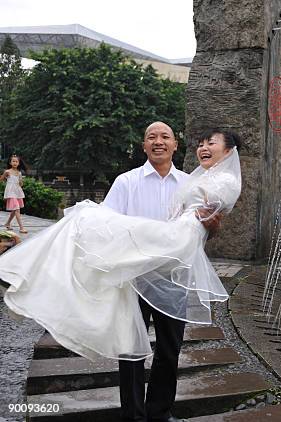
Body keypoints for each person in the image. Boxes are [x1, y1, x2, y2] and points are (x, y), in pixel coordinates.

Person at [0, 123, 242, 422]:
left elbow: (201, 230)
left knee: (169, 349)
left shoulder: (187, 182)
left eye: (165, 137)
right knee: (130, 350)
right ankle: (133, 415)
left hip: (172, 277)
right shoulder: (126, 182)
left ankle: (159, 413)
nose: (158, 142)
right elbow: (106, 224)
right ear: (144, 146)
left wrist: (212, 225)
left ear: (174, 145)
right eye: (151, 137)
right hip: (133, 279)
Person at [1, 155, 28, 233]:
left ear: (19, 163)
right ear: (10, 162)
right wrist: (5, 176)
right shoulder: (7, 171)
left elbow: (21, 184)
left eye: (16, 161)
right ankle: (21, 228)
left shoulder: (19, 173)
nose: (15, 163)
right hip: (11, 192)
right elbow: (1, 179)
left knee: (14, 210)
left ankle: (7, 223)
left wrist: (21, 181)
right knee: (17, 209)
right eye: (13, 161)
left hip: (17, 192)